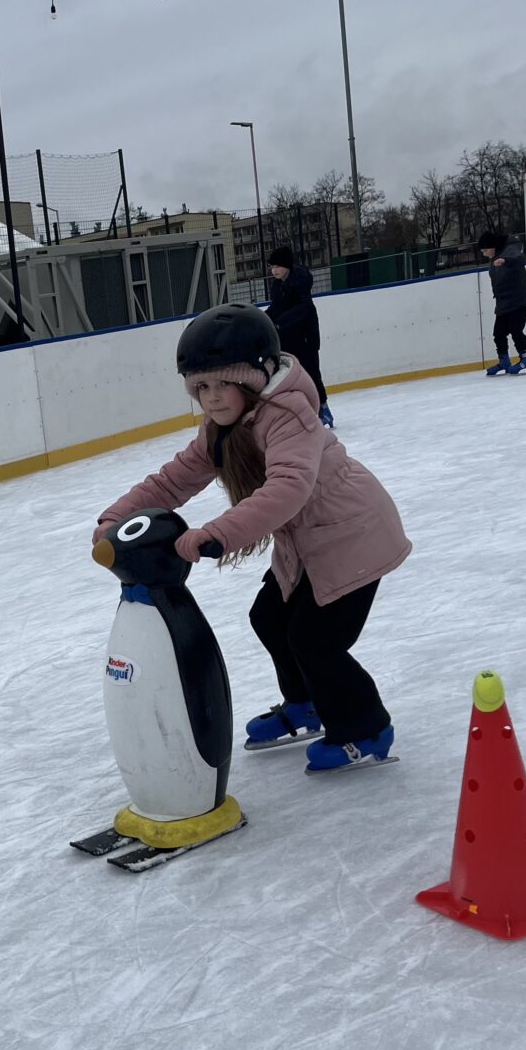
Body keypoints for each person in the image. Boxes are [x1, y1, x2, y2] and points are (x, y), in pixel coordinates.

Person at [92, 303, 411, 773]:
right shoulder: (220, 429)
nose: (213, 398)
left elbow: (288, 488)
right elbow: (172, 481)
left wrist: (216, 534)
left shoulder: (289, 416)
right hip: (308, 543)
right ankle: (306, 703)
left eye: (225, 383)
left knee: (316, 641)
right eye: (201, 387)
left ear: (258, 376)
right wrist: (116, 518)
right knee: (269, 616)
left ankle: (367, 728)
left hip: (352, 535)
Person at [264, 245, 335, 429]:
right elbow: (276, 307)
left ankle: (324, 409)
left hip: (305, 336)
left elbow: (302, 309)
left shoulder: (300, 282)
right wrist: (264, 318)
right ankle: (300, 411)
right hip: (287, 337)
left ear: (286, 266)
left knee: (311, 372)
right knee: (289, 375)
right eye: (272, 267)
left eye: (277, 266)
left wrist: (280, 323)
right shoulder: (277, 285)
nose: (274, 271)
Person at [477, 231, 526, 376]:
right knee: (498, 333)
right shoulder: (495, 256)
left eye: (485, 250)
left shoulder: (510, 250)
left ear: (492, 246)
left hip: (518, 299)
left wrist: (505, 261)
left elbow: (520, 260)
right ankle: (504, 361)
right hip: (503, 302)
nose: (484, 254)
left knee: (516, 330)